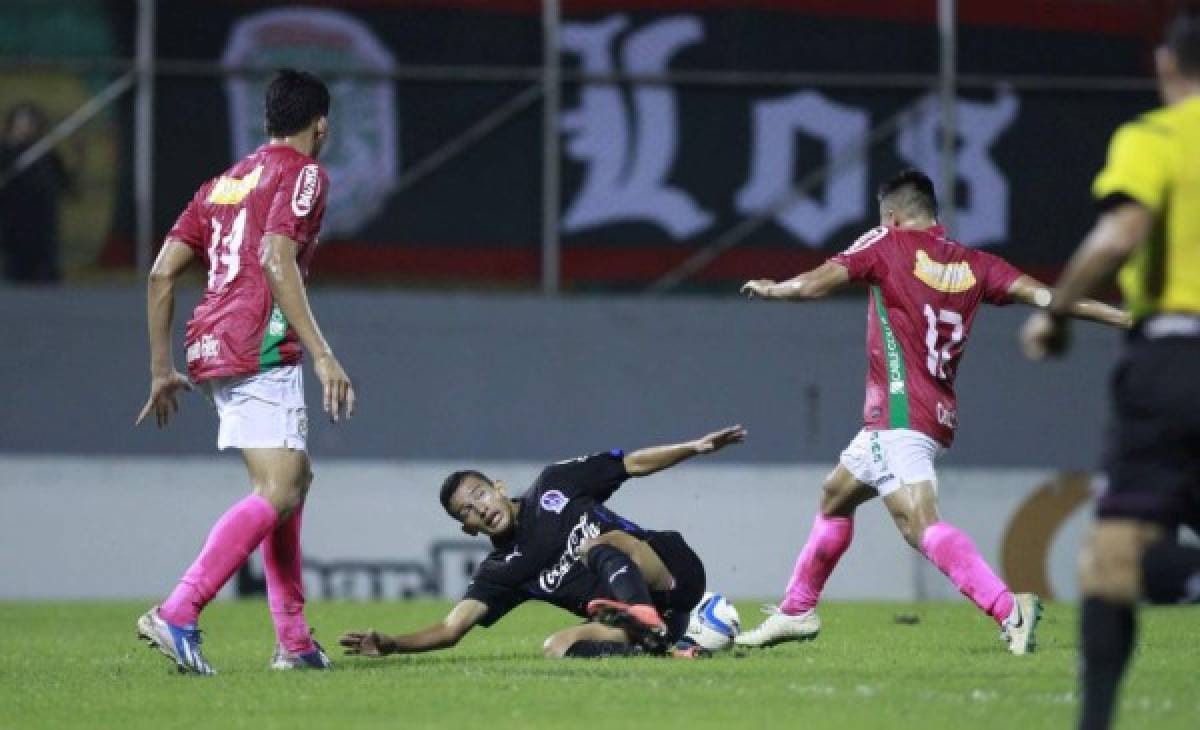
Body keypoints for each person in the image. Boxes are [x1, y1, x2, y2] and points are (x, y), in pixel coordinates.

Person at [736, 169, 1129, 655]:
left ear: (892, 216)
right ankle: (797, 610)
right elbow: (1050, 298)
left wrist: (777, 288)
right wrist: (1125, 317)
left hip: (901, 414)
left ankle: (1010, 609)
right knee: (836, 494)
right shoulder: (976, 264)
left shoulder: (886, 243)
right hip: (925, 414)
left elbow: (816, 283)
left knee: (918, 524)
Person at [134, 69, 354, 675]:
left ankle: (295, 641)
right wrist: (322, 352)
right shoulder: (304, 172)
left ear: (266, 121)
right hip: (258, 341)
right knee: (279, 488)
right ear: (321, 125)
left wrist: (161, 368)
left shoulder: (224, 183)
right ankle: (180, 609)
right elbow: (275, 256)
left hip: (209, 345)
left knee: (292, 481)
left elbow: (160, 274)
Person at [1020, 13, 1200, 730]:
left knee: (1113, 562)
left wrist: (1056, 313)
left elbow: (1122, 231)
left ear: (1165, 63)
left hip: (1177, 361)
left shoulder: (1155, 138)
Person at [339, 426, 745, 660]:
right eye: (466, 512)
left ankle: (643, 618)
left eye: (479, 494)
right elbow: (451, 628)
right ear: (468, 530)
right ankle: (665, 650)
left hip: (670, 571)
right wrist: (392, 643)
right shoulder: (501, 572)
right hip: (651, 622)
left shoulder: (556, 484)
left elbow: (631, 465)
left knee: (601, 545)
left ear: (498, 487)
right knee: (557, 646)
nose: (478, 509)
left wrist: (693, 448)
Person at [0, 102, 72, 283]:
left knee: (46, 277)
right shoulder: (4, 152)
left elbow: (66, 185)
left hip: (42, 227)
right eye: (22, 123)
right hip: (13, 225)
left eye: (31, 123)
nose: (27, 128)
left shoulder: (46, 154)